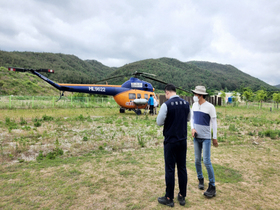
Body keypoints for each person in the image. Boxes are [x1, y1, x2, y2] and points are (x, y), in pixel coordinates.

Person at [156, 84, 191, 207]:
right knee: (182, 168)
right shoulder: (186, 104)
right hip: (182, 140)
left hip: (171, 141)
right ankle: (182, 196)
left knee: (170, 169)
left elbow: (159, 122)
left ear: (167, 93)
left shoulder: (166, 105)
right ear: (175, 91)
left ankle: (169, 197)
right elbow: (188, 119)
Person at [191, 86, 218, 198]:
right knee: (197, 160)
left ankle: (212, 186)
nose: (194, 96)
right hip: (196, 137)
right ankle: (200, 179)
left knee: (206, 161)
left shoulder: (210, 107)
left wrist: (214, 137)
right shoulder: (194, 105)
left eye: (195, 94)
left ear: (200, 95)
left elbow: (214, 123)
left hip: (206, 137)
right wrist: (192, 128)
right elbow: (192, 118)